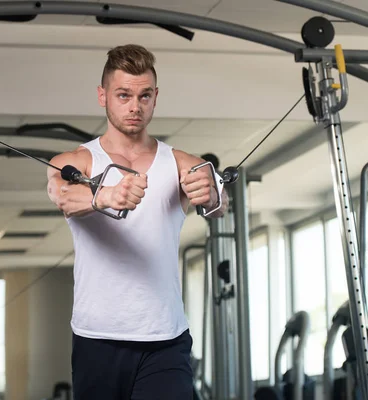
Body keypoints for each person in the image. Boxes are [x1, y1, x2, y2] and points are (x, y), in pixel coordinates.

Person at [46, 44, 229, 399]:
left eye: (144, 96)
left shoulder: (179, 161)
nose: (135, 106)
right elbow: (63, 196)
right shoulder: (78, 160)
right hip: (96, 338)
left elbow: (219, 205)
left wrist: (210, 192)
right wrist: (106, 197)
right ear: (103, 96)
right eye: (123, 95)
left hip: (165, 338)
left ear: (155, 97)